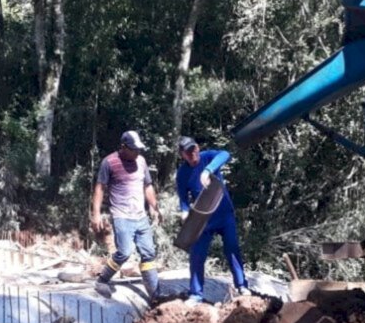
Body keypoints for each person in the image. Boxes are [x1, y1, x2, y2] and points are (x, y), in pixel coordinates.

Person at [175, 136, 249, 305]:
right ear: (182, 155)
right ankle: (196, 294)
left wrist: (208, 170)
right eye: (187, 152)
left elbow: (225, 154)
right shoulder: (182, 173)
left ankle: (242, 286)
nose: (192, 154)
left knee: (232, 248)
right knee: (197, 255)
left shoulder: (208, 157)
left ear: (197, 148)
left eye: (193, 149)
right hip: (204, 219)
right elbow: (183, 197)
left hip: (224, 214)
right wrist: (184, 211)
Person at [91, 130, 160, 299]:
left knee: (148, 253)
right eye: (133, 149)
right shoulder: (109, 162)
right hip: (121, 215)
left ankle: (155, 296)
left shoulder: (141, 161)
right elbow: (100, 188)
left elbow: (148, 186)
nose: (137, 152)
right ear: (123, 147)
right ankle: (102, 280)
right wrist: (96, 214)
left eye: (138, 149)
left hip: (140, 216)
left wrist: (155, 207)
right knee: (124, 252)